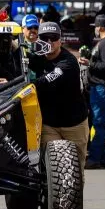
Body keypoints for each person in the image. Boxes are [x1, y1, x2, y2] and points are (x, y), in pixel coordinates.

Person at [31, 22, 89, 164]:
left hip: (74, 123)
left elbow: (46, 80)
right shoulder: (36, 58)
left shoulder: (68, 61)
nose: (50, 41)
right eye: (45, 38)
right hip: (49, 124)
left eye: (54, 37)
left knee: (75, 169)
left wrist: (25, 86)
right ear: (39, 39)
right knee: (51, 167)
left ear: (60, 40)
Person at [81, 14, 105, 169]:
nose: (95, 30)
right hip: (101, 88)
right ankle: (103, 158)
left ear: (100, 27)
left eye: (96, 27)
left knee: (99, 123)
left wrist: (89, 63)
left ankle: (96, 158)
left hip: (103, 89)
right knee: (103, 123)